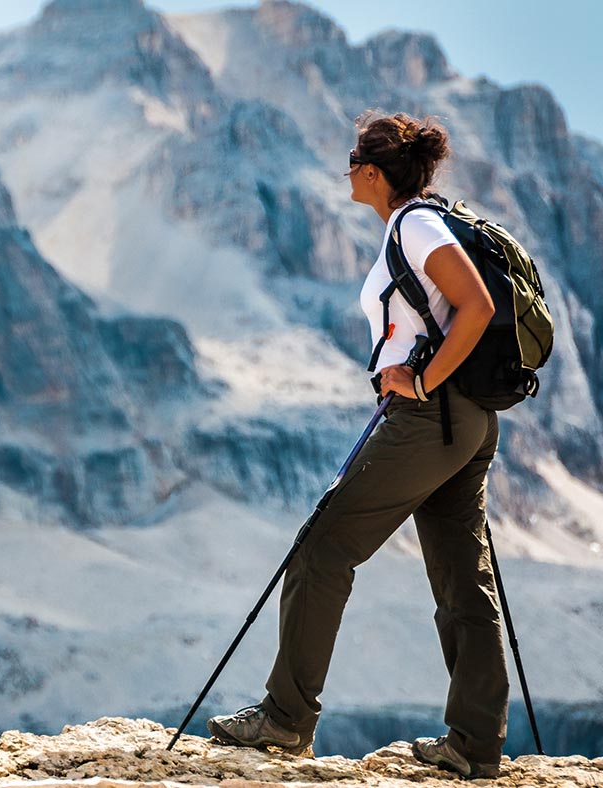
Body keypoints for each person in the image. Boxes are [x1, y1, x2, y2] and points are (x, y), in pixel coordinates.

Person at [205, 112, 507, 780]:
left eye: (352, 160)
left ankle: (284, 722)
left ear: (373, 172)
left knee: (321, 549)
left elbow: (477, 305)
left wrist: (422, 378)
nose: (345, 170)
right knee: (463, 580)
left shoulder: (417, 225)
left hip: (431, 418)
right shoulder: (423, 223)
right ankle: (475, 745)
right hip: (468, 420)